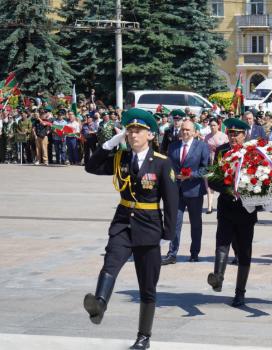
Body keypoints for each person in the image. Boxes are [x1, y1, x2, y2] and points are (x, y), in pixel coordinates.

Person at [83, 108, 178, 349]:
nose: (133, 134)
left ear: (150, 135)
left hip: (148, 226)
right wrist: (110, 144)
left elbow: (171, 200)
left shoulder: (161, 163)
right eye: (130, 130)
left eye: (139, 130)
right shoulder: (120, 158)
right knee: (110, 263)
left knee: (147, 285)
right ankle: (100, 304)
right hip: (123, 222)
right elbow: (90, 167)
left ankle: (144, 337)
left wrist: (168, 233)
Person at [207, 118, 258, 307]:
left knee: (244, 250)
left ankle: (240, 292)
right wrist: (228, 188)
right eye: (230, 133)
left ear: (245, 135)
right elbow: (212, 178)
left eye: (236, 134)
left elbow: (260, 179)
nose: (233, 137)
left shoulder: (253, 153)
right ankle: (218, 277)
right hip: (227, 206)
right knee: (222, 243)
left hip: (246, 209)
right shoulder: (222, 151)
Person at [162, 120, 209, 265]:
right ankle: (172, 253)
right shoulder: (173, 146)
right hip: (176, 190)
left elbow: (207, 168)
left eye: (188, 130)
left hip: (194, 190)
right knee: (175, 222)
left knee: (195, 223)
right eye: (183, 129)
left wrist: (191, 175)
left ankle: (194, 253)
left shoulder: (202, 146)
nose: (185, 132)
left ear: (194, 131)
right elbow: (168, 166)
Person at [203, 118, 229, 214]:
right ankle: (209, 206)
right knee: (209, 185)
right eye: (211, 125)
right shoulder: (207, 137)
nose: (212, 127)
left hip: (220, 163)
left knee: (219, 184)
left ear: (218, 125)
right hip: (209, 162)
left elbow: (227, 150)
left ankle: (222, 204)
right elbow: (204, 149)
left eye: (214, 125)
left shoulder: (224, 136)